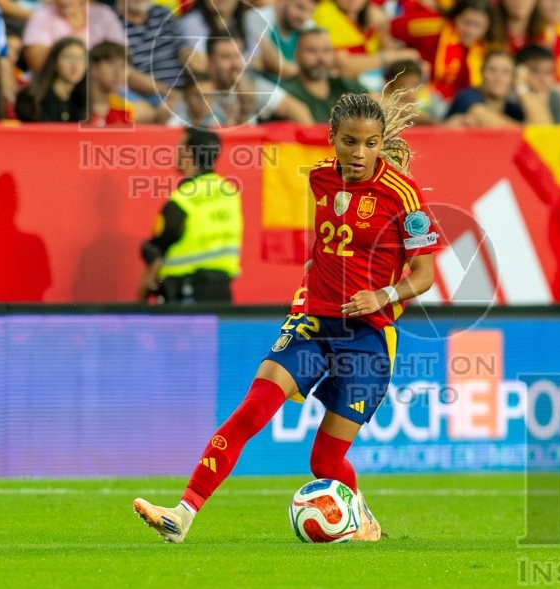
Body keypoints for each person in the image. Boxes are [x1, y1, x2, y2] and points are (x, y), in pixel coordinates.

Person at [133, 92, 442, 543]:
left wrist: (382, 295)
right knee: (252, 410)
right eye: (350, 141)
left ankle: (363, 520)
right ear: (332, 138)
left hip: (367, 336)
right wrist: (310, 287)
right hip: (313, 323)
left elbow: (425, 275)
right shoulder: (319, 178)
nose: (359, 153)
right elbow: (326, 249)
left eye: (370, 143)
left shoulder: (403, 194)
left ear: (380, 143)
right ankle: (182, 515)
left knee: (325, 463)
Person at [138, 127, 243, 304]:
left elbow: (156, 251)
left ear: (188, 154)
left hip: (186, 295)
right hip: (222, 293)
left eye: (179, 148)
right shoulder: (230, 193)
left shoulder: (182, 200)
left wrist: (140, 299)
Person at [281, 28, 369, 123]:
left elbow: (375, 99)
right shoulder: (286, 92)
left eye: (326, 50)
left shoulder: (343, 84)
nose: (321, 58)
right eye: (311, 51)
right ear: (296, 55)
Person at [15, 36, 87, 122]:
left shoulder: (84, 100)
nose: (75, 65)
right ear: (54, 61)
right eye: (68, 57)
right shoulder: (33, 99)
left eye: (81, 58)